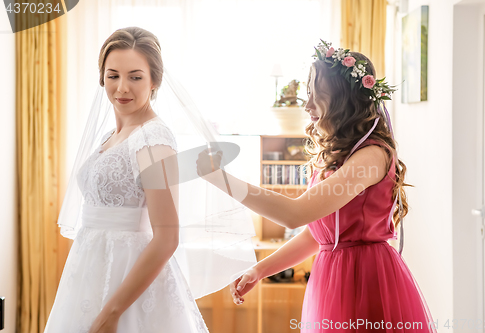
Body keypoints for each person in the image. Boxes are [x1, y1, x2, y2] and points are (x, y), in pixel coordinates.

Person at [196, 41, 438, 332]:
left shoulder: (371, 156)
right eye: (307, 93)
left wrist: (222, 180)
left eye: (316, 94)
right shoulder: (341, 154)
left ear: (342, 99)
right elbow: (319, 234)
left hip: (365, 278)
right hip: (333, 277)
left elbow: (294, 214)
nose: (307, 105)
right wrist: (261, 269)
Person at [45, 26, 256, 333]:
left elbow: (167, 237)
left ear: (155, 80)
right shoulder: (110, 136)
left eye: (135, 76)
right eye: (113, 75)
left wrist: (111, 313)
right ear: (101, 77)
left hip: (129, 275)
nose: (122, 88)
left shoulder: (153, 139)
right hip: (89, 268)